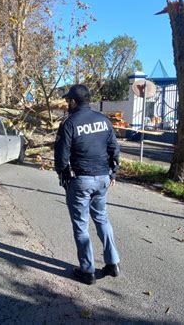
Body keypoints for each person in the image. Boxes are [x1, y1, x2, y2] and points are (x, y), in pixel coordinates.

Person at [54, 84, 120, 285]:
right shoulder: (104, 120)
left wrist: (63, 176)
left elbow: (61, 157)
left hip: (80, 180)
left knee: (81, 226)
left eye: (68, 101)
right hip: (102, 178)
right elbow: (114, 149)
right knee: (102, 220)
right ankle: (112, 263)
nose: (67, 104)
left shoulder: (69, 123)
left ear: (74, 101)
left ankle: (87, 270)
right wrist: (113, 173)